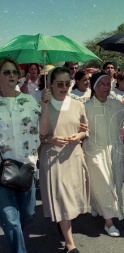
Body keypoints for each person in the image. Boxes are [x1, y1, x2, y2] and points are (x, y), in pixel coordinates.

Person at [39, 67, 90, 253]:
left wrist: (80, 135)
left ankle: (63, 226)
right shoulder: (44, 104)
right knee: (62, 199)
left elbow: (86, 129)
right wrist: (45, 106)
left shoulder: (78, 104)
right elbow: (42, 134)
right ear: (50, 84)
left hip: (74, 156)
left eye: (67, 83)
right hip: (53, 158)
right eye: (59, 83)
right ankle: (70, 244)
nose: (64, 87)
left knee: (72, 199)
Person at [83, 72, 124, 237]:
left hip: (114, 151)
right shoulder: (86, 106)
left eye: (108, 84)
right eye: (101, 84)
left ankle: (98, 207)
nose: (105, 87)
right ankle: (109, 223)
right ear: (94, 87)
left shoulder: (116, 104)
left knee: (116, 183)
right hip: (94, 152)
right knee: (103, 183)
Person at [0, 57, 41, 253]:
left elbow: (43, 130)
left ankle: (15, 237)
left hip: (27, 165)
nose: (12, 75)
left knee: (27, 214)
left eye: (15, 72)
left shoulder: (29, 100)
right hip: (2, 168)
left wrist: (48, 104)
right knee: (11, 219)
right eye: (6, 72)